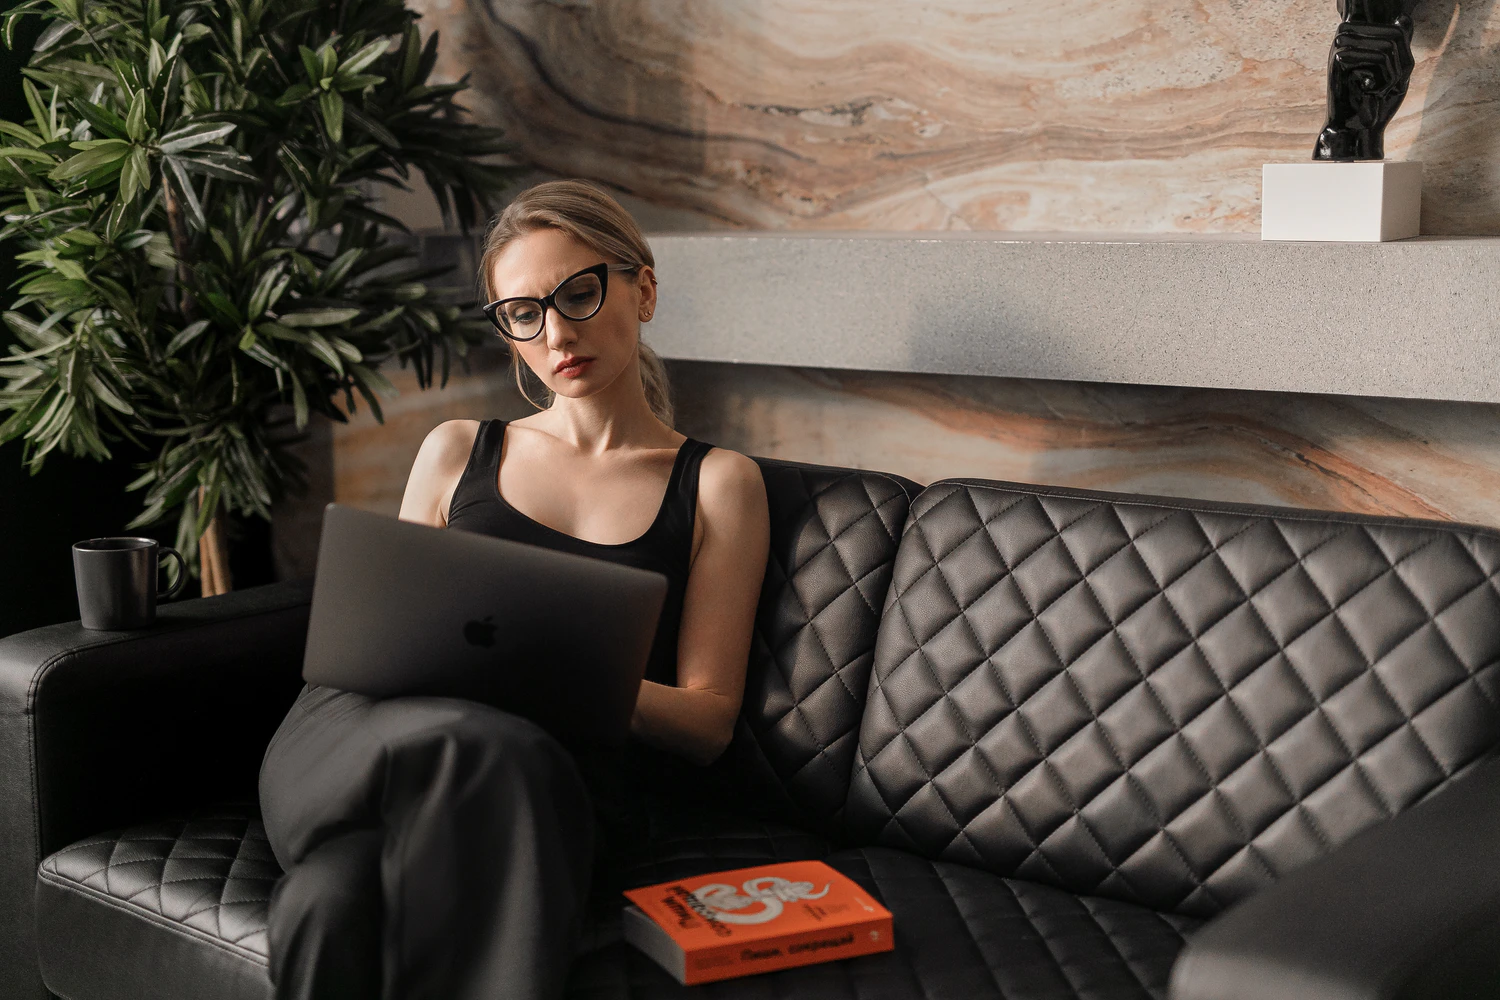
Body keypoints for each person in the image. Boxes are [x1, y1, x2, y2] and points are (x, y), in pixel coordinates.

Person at [257, 179, 772, 1000]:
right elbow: (379, 637)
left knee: (329, 900)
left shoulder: (717, 483)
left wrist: (549, 672)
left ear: (642, 288)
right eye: (524, 313)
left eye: (579, 293)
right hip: (364, 736)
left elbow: (708, 722)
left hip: (536, 781)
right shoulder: (457, 448)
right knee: (463, 740)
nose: (556, 331)